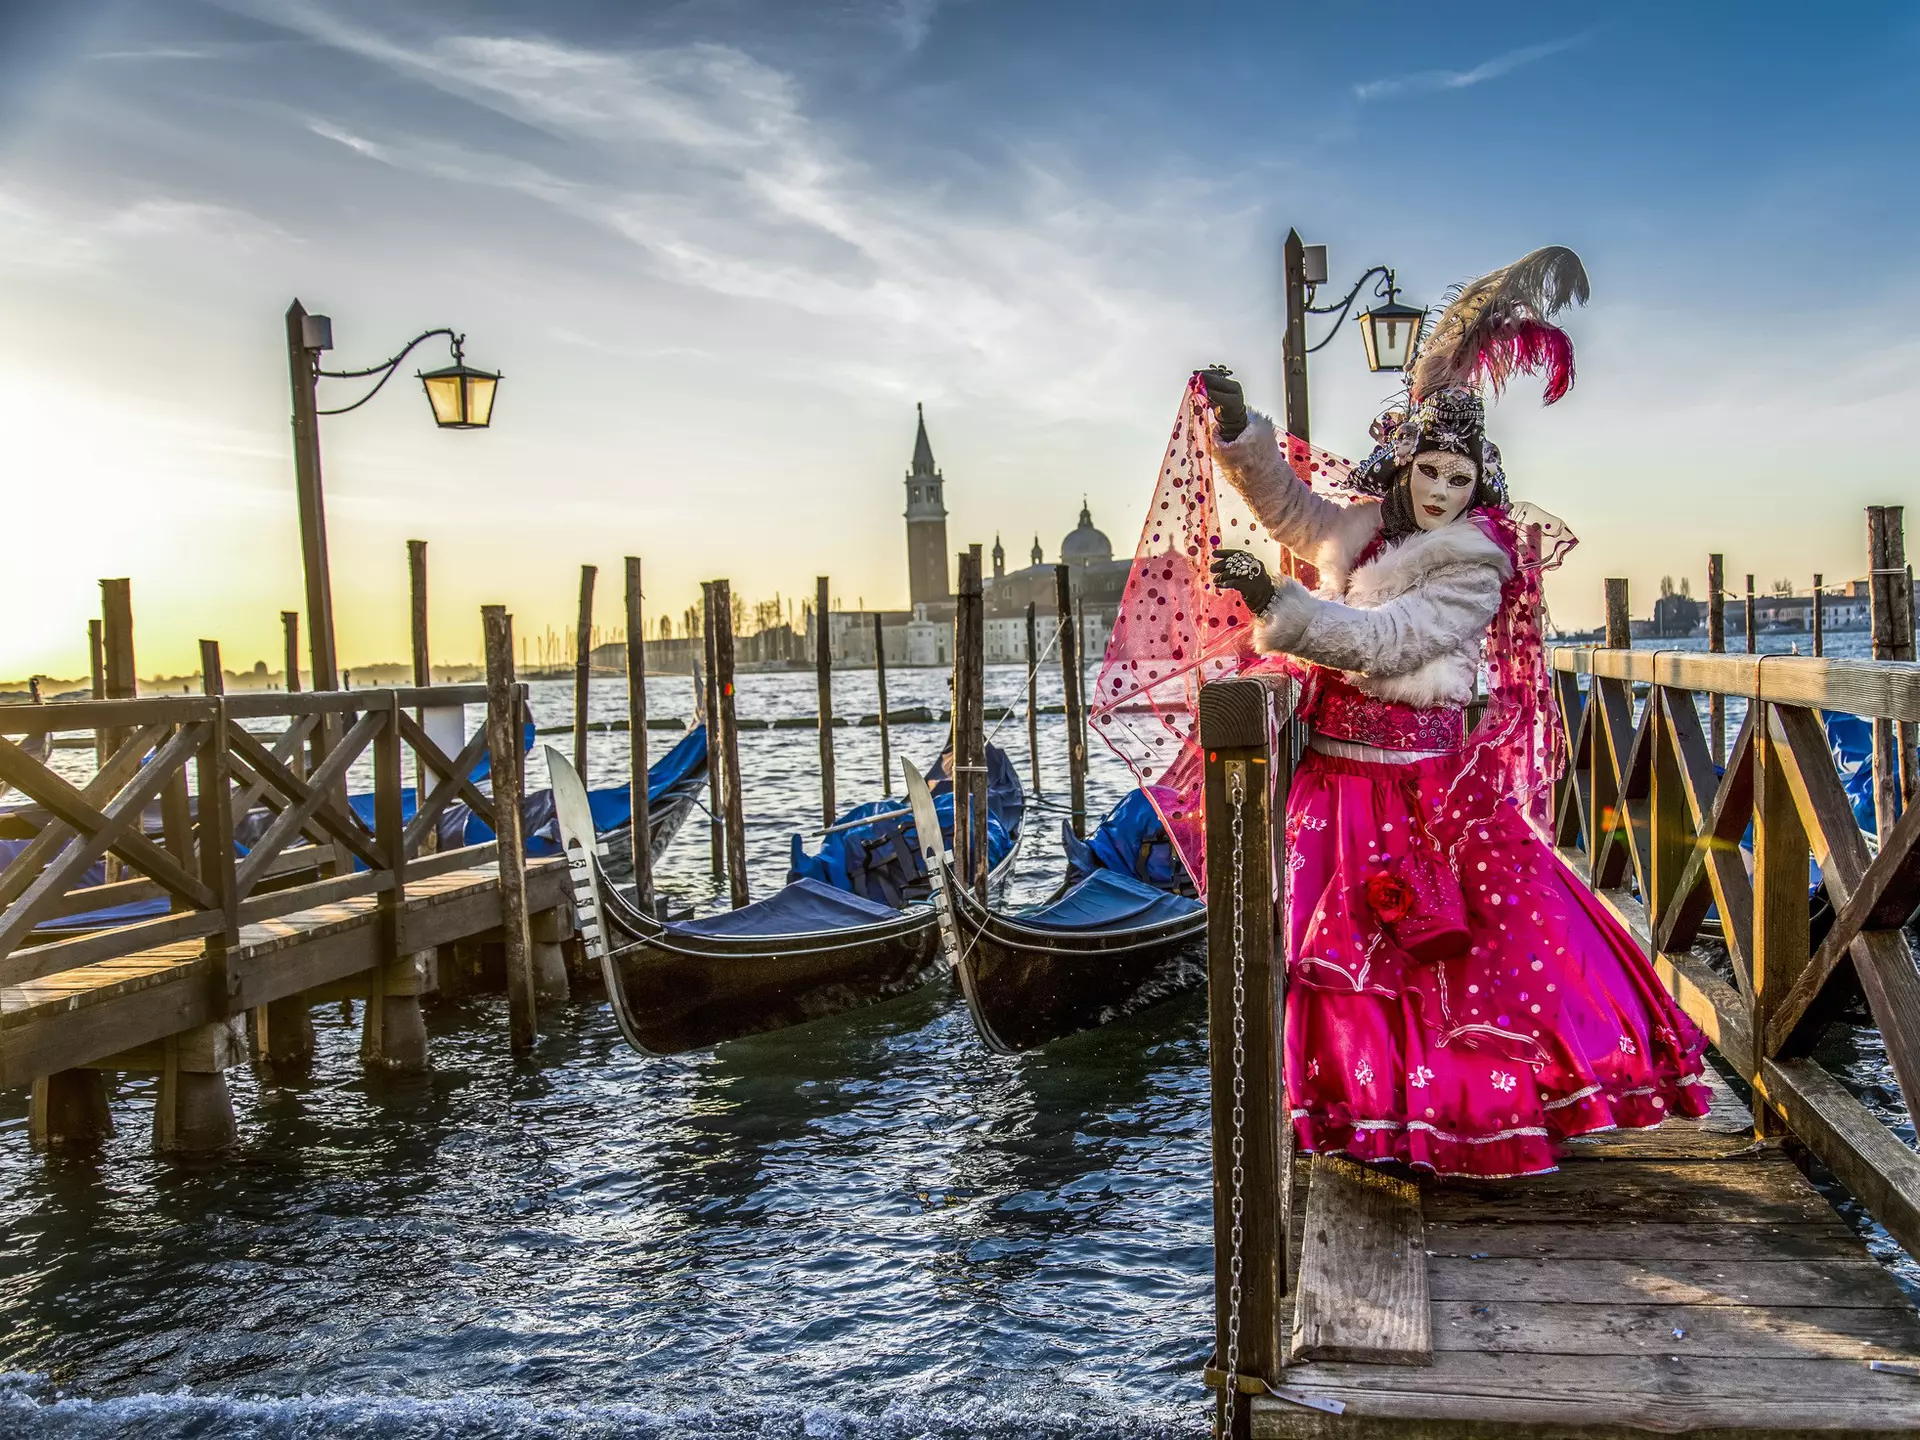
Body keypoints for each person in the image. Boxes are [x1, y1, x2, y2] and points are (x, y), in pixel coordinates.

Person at [1202, 247, 1709, 1178]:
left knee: (1457, 962)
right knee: (1343, 970)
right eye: (1429, 471)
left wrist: (1275, 606)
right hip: (1337, 779)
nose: (1440, 492)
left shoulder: (1472, 566)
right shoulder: (1362, 528)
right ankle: (1371, 1117)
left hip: (1422, 790)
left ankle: (1472, 1118)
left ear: (1480, 492)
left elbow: (1385, 642)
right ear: (1403, 470)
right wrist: (1242, 436)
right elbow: (1287, 508)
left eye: (1460, 480)